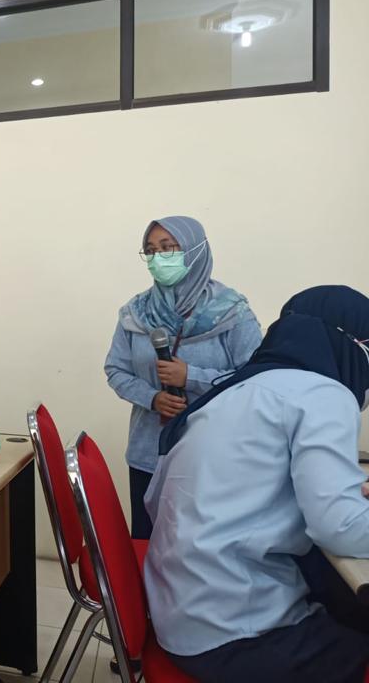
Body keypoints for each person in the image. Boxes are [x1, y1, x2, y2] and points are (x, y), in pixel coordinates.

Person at [145, 286, 369, 682]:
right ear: (352, 345)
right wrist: (346, 506)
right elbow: (339, 528)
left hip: (178, 613)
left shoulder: (235, 390)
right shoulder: (323, 393)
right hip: (239, 636)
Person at [104, 215, 261, 539]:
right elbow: (116, 369)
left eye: (168, 247)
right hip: (149, 454)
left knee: (201, 549)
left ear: (195, 250)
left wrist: (191, 376)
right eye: (150, 250)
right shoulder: (136, 312)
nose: (158, 258)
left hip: (211, 457)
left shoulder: (232, 311)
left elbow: (255, 378)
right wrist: (152, 398)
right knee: (148, 546)